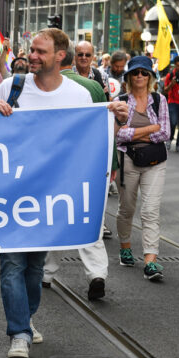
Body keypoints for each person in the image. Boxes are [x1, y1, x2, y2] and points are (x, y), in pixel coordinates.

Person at [0, 29, 128, 358]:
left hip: (48, 198)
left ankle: (27, 317)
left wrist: (118, 123)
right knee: (11, 263)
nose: (32, 56)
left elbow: (91, 142)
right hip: (11, 193)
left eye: (39, 51)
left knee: (36, 267)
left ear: (59, 57)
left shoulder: (78, 96)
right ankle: (19, 332)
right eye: (31, 50)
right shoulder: (12, 86)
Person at [42, 44, 112, 301]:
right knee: (88, 219)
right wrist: (111, 165)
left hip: (56, 166)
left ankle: (46, 274)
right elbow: (106, 127)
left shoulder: (50, 87)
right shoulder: (93, 87)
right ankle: (97, 273)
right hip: (89, 165)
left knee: (54, 217)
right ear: (74, 60)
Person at [115, 55, 170, 282]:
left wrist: (136, 133)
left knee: (150, 211)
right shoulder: (120, 100)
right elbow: (119, 133)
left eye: (144, 73)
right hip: (127, 159)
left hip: (155, 162)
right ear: (128, 76)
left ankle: (150, 261)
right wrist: (150, 129)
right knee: (127, 208)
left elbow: (165, 132)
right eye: (136, 72)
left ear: (150, 77)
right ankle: (125, 246)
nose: (140, 76)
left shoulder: (159, 100)